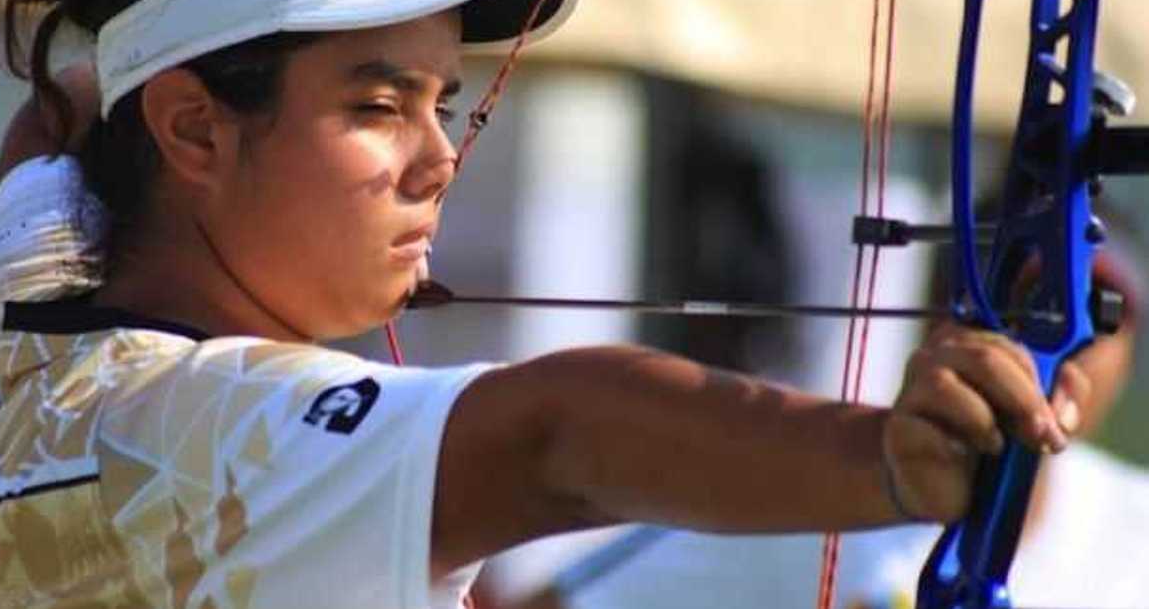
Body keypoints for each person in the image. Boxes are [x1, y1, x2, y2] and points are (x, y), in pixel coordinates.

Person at [0, 0, 1088, 608]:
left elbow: (56, 124)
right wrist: (881, 455)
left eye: (445, 105)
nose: (438, 161)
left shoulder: (15, 305)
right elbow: (558, 431)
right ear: (193, 129)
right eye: (377, 105)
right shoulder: (225, 444)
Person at [484, 223, 1148, 609]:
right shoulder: (813, 480)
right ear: (942, 316)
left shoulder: (1135, 519)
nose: (1063, 334)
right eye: (1024, 295)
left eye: (1098, 307)